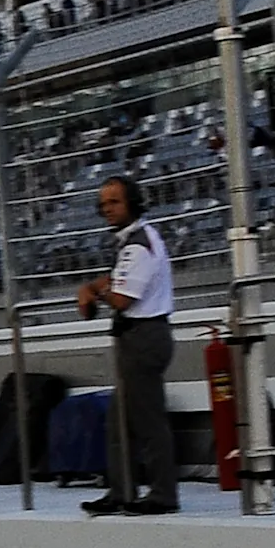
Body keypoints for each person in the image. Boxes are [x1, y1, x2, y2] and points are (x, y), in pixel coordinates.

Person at [73, 178, 178, 516]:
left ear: (131, 202)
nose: (107, 209)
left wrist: (95, 292)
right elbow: (115, 282)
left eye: (114, 202)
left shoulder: (137, 246)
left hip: (143, 337)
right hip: (138, 337)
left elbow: (122, 297)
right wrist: (94, 287)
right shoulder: (131, 242)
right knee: (119, 422)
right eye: (103, 204)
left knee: (148, 422)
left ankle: (163, 494)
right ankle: (122, 490)